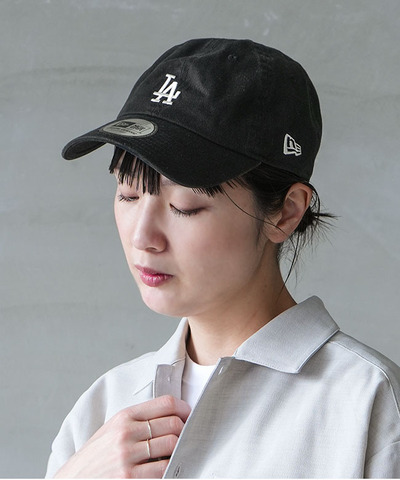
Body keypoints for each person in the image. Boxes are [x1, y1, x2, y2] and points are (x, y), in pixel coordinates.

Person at [46, 38, 400, 478]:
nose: (142, 237)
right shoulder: (104, 406)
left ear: (286, 212)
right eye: (128, 194)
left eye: (185, 207)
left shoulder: (366, 403)